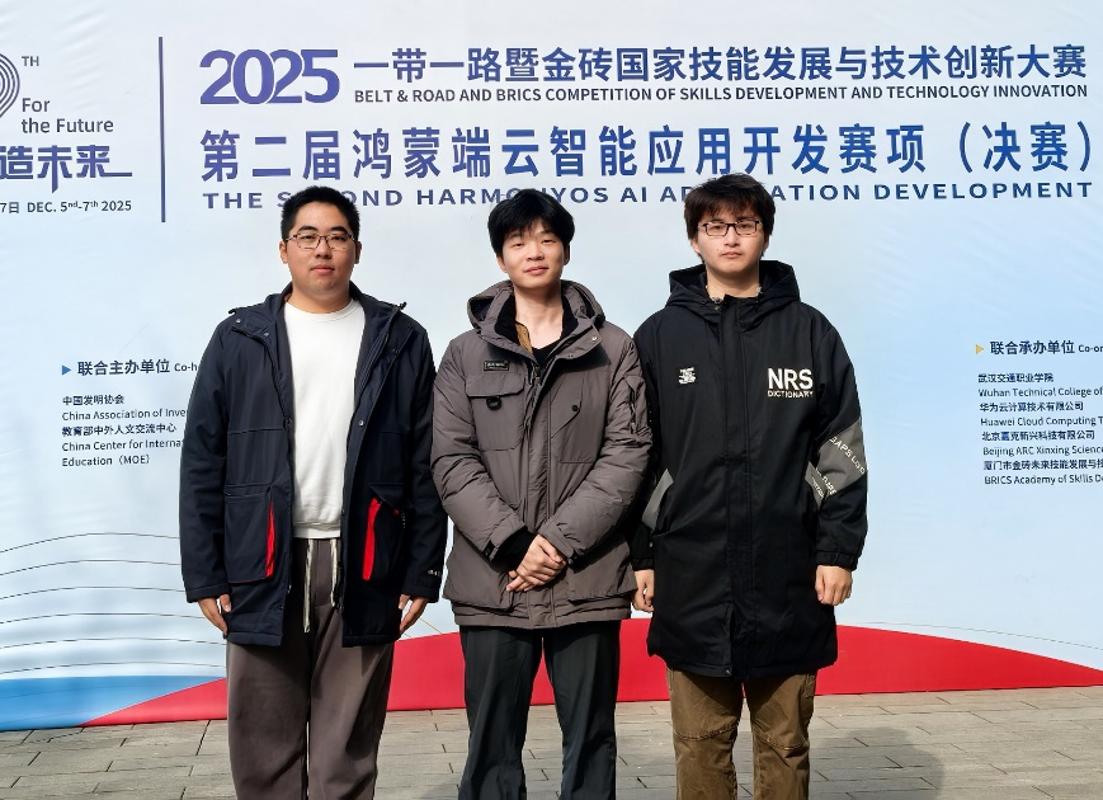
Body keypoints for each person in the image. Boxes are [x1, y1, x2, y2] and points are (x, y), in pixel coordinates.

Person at [179, 185, 446, 799]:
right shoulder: (239, 338)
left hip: (367, 560)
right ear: (284, 250)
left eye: (337, 236)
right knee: (263, 749)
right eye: (307, 236)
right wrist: (205, 573)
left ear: (357, 250)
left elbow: (426, 463)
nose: (322, 249)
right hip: (261, 561)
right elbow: (202, 461)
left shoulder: (399, 338)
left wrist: (421, 570)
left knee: (346, 751)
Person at [629, 173, 868, 799]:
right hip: (692, 572)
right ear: (694, 240)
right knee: (699, 742)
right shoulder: (659, 336)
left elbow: (841, 452)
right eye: (715, 227)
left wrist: (837, 551)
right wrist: (643, 555)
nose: (731, 238)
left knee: (785, 742)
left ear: (765, 234)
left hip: (788, 571)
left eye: (745, 225)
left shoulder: (809, 331)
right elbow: (638, 457)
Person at [431, 189, 650, 800]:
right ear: (500, 257)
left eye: (547, 239)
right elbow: (451, 458)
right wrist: (514, 544)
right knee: (492, 742)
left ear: (566, 251)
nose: (534, 252)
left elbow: (628, 453)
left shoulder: (613, 348)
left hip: (587, 577)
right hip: (494, 580)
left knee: (592, 737)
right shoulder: (465, 353)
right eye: (518, 241)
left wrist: (554, 543)